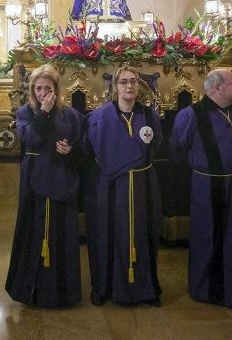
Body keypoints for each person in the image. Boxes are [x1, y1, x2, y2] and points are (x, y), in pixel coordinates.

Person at [170, 68, 232, 311]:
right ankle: (207, 290)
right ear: (217, 87)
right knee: (209, 238)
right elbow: (177, 149)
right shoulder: (192, 114)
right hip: (208, 188)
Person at [6, 65, 85, 307]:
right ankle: (31, 289)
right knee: (33, 229)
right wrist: (44, 113)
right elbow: (28, 138)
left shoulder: (70, 114)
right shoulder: (25, 112)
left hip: (61, 177)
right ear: (32, 90)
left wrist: (71, 150)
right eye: (38, 88)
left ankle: (62, 292)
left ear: (57, 90)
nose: (43, 93)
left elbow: (82, 145)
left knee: (62, 232)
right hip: (35, 177)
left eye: (47, 89)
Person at [84, 65, 162, 306]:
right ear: (115, 87)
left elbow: (156, 144)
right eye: (124, 82)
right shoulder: (98, 118)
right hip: (109, 188)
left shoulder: (149, 116)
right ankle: (103, 287)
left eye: (134, 81)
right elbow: (88, 150)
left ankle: (146, 289)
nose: (129, 86)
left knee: (144, 234)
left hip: (143, 185)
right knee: (105, 234)